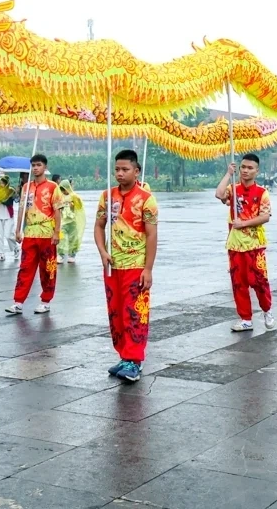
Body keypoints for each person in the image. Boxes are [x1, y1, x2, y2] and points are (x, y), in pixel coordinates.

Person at [95, 150, 158, 381]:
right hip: (113, 265)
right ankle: (124, 356)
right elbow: (99, 226)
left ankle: (135, 360)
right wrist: (103, 252)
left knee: (135, 313)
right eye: (117, 169)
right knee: (116, 313)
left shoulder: (146, 199)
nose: (120, 174)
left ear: (136, 171)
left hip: (135, 265)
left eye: (125, 169)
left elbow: (152, 236)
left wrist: (148, 268)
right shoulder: (107, 196)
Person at [215, 153, 273, 331]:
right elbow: (219, 194)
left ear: (257, 171)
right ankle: (245, 318)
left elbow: (265, 217)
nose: (246, 171)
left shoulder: (262, 193)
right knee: (238, 282)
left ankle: (267, 309)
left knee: (258, 281)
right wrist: (228, 174)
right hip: (235, 244)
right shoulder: (233, 189)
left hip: (254, 244)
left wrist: (244, 223)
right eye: (243, 167)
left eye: (250, 168)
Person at [7, 154, 64, 315]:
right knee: (25, 267)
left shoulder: (53, 187)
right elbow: (21, 210)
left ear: (45, 167)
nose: (35, 168)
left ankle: (46, 301)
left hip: (47, 233)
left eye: (38, 165)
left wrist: (57, 232)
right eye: (33, 165)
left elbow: (58, 211)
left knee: (48, 269)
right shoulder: (26, 187)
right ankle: (18, 301)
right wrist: (18, 229)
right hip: (30, 232)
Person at [0, 174, 17, 261]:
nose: (1, 185)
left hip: (8, 216)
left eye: (3, 183)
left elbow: (8, 202)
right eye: (0, 183)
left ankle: (15, 248)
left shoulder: (10, 191)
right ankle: (0, 253)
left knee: (9, 236)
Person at [57, 179, 85, 264]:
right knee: (61, 239)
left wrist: (73, 204)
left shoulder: (74, 196)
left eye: (64, 189)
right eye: (61, 189)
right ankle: (60, 255)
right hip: (63, 222)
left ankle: (72, 255)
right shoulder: (60, 197)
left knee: (73, 239)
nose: (63, 191)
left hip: (73, 221)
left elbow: (80, 207)